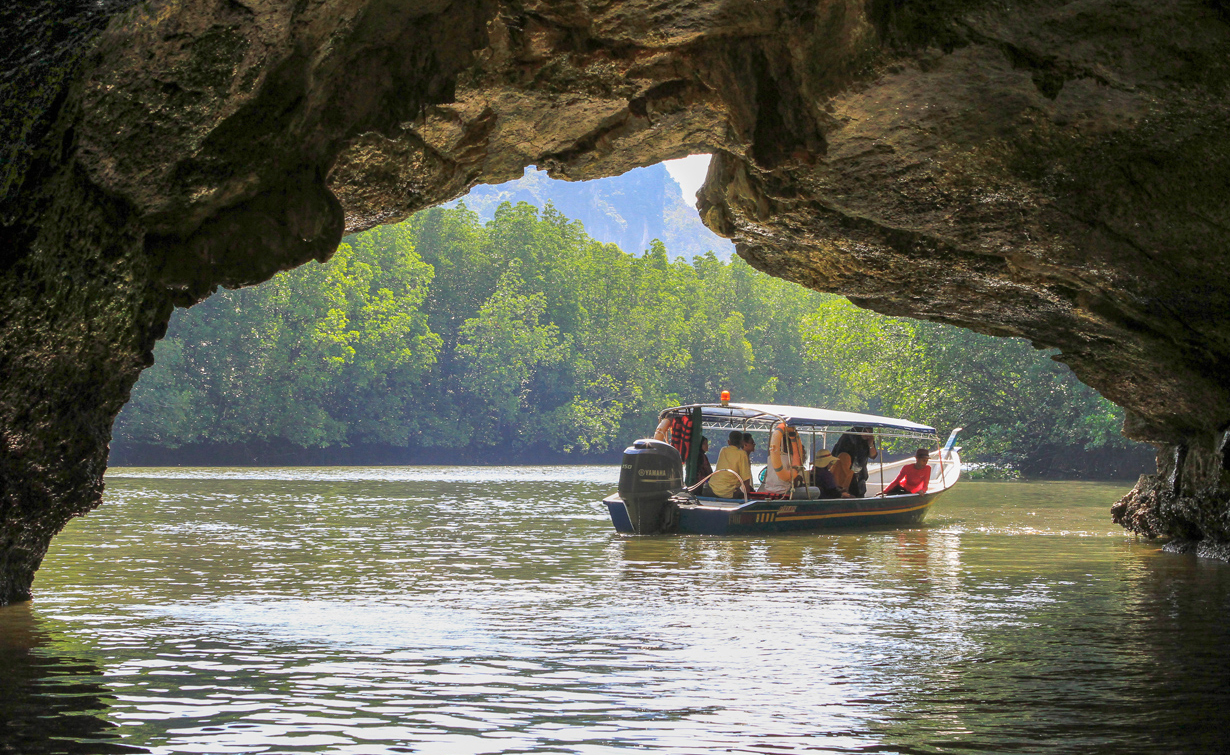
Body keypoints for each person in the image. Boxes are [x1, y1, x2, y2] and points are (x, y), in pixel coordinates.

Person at [832, 426, 878, 498]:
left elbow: (873, 455)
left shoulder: (868, 440)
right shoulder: (848, 437)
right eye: (865, 432)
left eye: (870, 433)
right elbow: (838, 455)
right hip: (845, 473)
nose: (867, 435)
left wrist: (870, 444)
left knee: (859, 494)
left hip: (859, 475)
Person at [711, 430, 753, 498]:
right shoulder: (742, 454)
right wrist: (748, 496)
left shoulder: (723, 450)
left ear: (728, 442)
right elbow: (746, 479)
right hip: (728, 492)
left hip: (712, 487)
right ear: (742, 442)